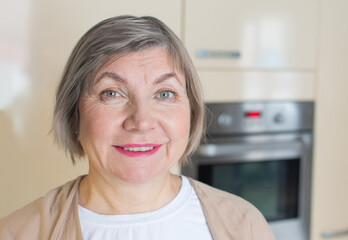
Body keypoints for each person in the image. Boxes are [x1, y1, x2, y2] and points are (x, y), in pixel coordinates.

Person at [0, 15, 275, 240]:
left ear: (191, 112)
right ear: (74, 112)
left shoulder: (245, 225)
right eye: (112, 93)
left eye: (165, 94)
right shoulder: (17, 233)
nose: (141, 121)